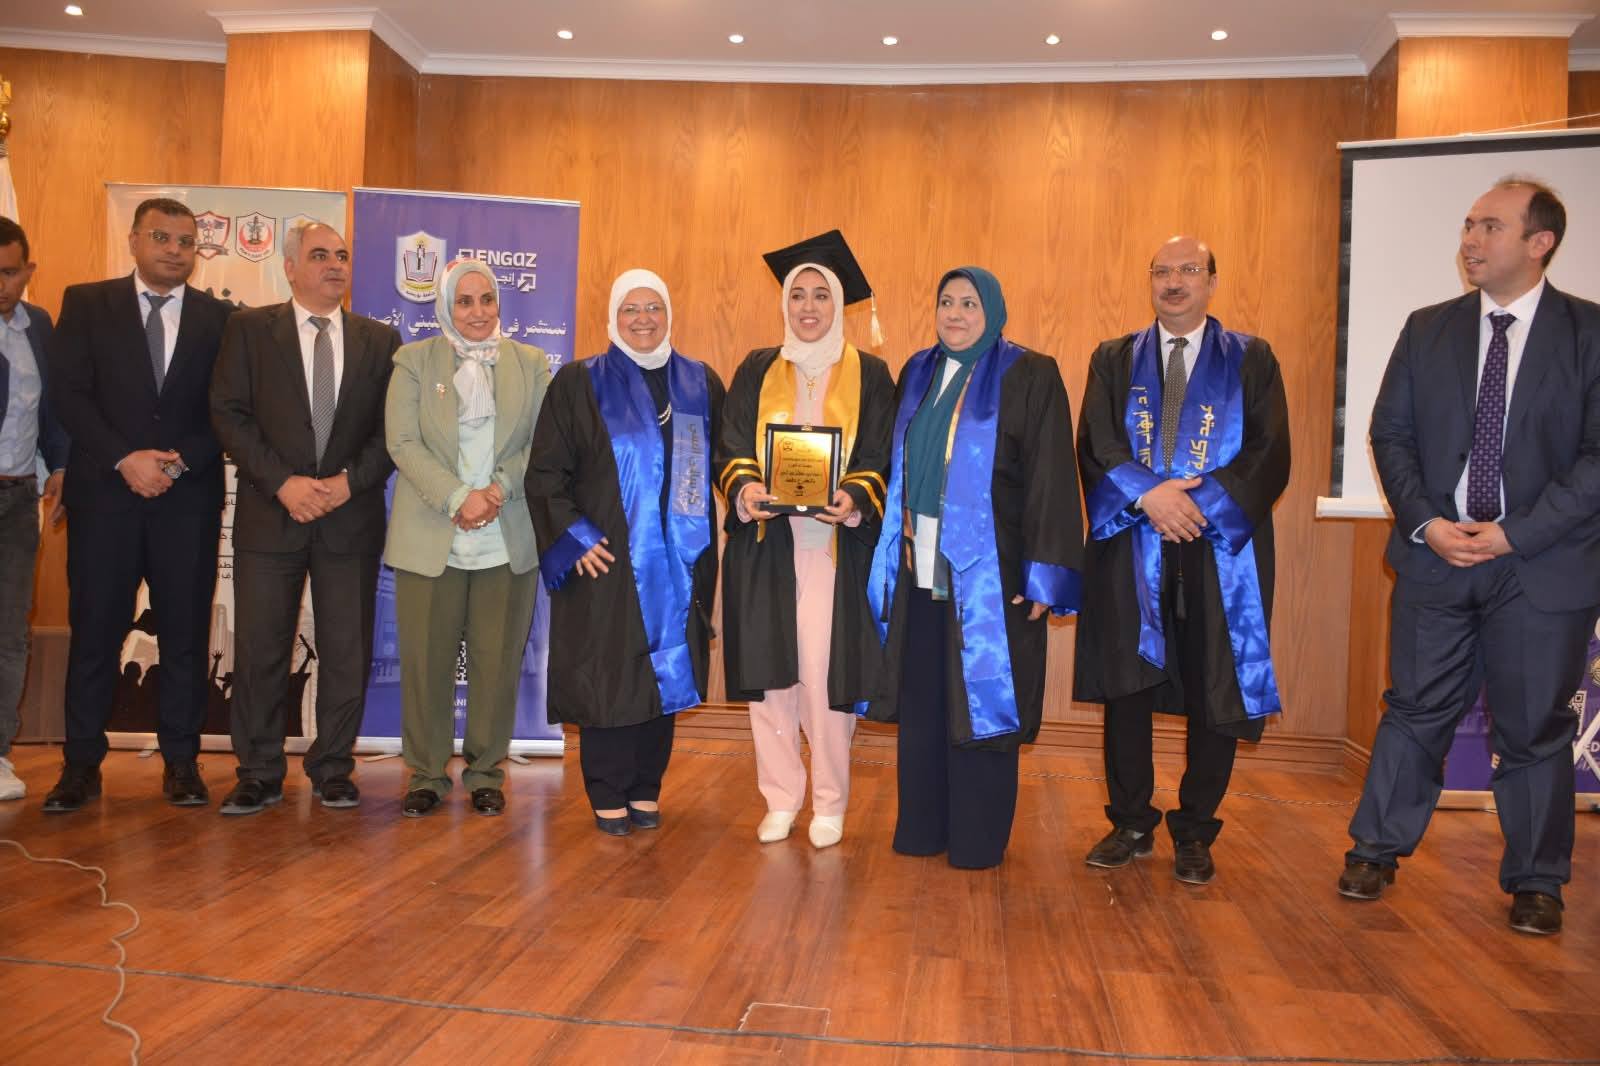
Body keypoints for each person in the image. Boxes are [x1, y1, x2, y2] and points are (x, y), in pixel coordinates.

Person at [1340, 178, 1600, 936]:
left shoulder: (1589, 333)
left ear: (1540, 243)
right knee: (1415, 709)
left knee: (1534, 727)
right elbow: (1390, 434)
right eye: (1468, 224)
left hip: (1542, 563)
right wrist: (1427, 523)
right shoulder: (1428, 328)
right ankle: (1375, 850)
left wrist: (1517, 532)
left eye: (1490, 226)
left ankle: (1537, 880)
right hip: (1437, 558)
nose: (1470, 240)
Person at [1074, 236, 1291, 885]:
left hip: (1218, 545)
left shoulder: (1251, 358)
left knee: (1214, 682)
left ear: (1211, 282)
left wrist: (1196, 507)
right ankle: (1131, 822)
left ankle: (1196, 829)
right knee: (1129, 683)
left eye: (1189, 270)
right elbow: (1097, 441)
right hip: (1133, 536)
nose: (1174, 281)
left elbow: (1269, 451)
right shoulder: (1114, 358)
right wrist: (1151, 497)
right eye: (1162, 271)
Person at [864, 266, 1084, 869]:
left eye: (968, 303)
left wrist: (1045, 576)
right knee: (925, 698)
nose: (955, 314)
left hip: (994, 573)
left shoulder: (1029, 373)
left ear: (992, 310)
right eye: (946, 302)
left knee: (982, 702)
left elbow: (1051, 477)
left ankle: (976, 839)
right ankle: (923, 826)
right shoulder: (917, 371)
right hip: (918, 565)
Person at [45, 198, 233, 812]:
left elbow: (228, 407)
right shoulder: (87, 303)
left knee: (184, 636)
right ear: (133, 240)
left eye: (186, 241)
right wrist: (125, 459)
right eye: (161, 237)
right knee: (95, 633)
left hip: (186, 501)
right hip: (106, 498)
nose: (175, 250)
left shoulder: (221, 318)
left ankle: (181, 762)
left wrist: (173, 464)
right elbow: (69, 395)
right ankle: (80, 766)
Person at [209, 220, 400, 814]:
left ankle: (333, 768)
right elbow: (229, 413)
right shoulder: (249, 330)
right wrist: (284, 483)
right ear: (290, 268)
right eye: (320, 255)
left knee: (346, 651)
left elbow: (393, 431)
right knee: (261, 651)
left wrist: (347, 483)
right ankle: (258, 771)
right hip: (273, 515)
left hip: (349, 518)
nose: (335, 264)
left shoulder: (380, 340)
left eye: (342, 255)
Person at [526, 269, 722, 835]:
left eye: (653, 307)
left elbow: (726, 458)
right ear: (613, 317)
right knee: (610, 674)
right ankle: (608, 788)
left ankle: (645, 785)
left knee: (665, 671)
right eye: (631, 308)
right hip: (607, 558)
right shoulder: (579, 382)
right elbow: (545, 474)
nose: (643, 319)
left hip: (680, 561)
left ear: (669, 314)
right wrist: (576, 538)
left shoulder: (698, 382)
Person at [717, 231, 894, 848]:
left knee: (822, 676)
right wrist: (745, 488)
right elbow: (732, 442)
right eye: (799, 295)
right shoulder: (757, 367)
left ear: (838, 304)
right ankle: (781, 796)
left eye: (822, 295)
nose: (809, 306)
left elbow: (879, 451)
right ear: (785, 303)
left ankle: (829, 802)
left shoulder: (870, 373)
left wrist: (854, 496)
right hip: (766, 543)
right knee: (771, 678)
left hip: (832, 547)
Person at [384, 259, 550, 817]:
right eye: (464, 301)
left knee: (496, 664)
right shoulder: (413, 361)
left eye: (487, 299)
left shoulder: (530, 364)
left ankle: (485, 772)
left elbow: (543, 442)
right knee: (425, 664)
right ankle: (427, 774)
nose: (478, 312)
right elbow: (403, 443)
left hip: (505, 535)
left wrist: (496, 491)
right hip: (433, 534)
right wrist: (459, 497)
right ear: (445, 307)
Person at [0, 217, 68, 801]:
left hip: (18, 498)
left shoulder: (39, 326)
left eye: (9, 272)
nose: (0, 284)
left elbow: (52, 410)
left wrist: (59, 466)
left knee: (9, 631)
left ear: (28, 272)